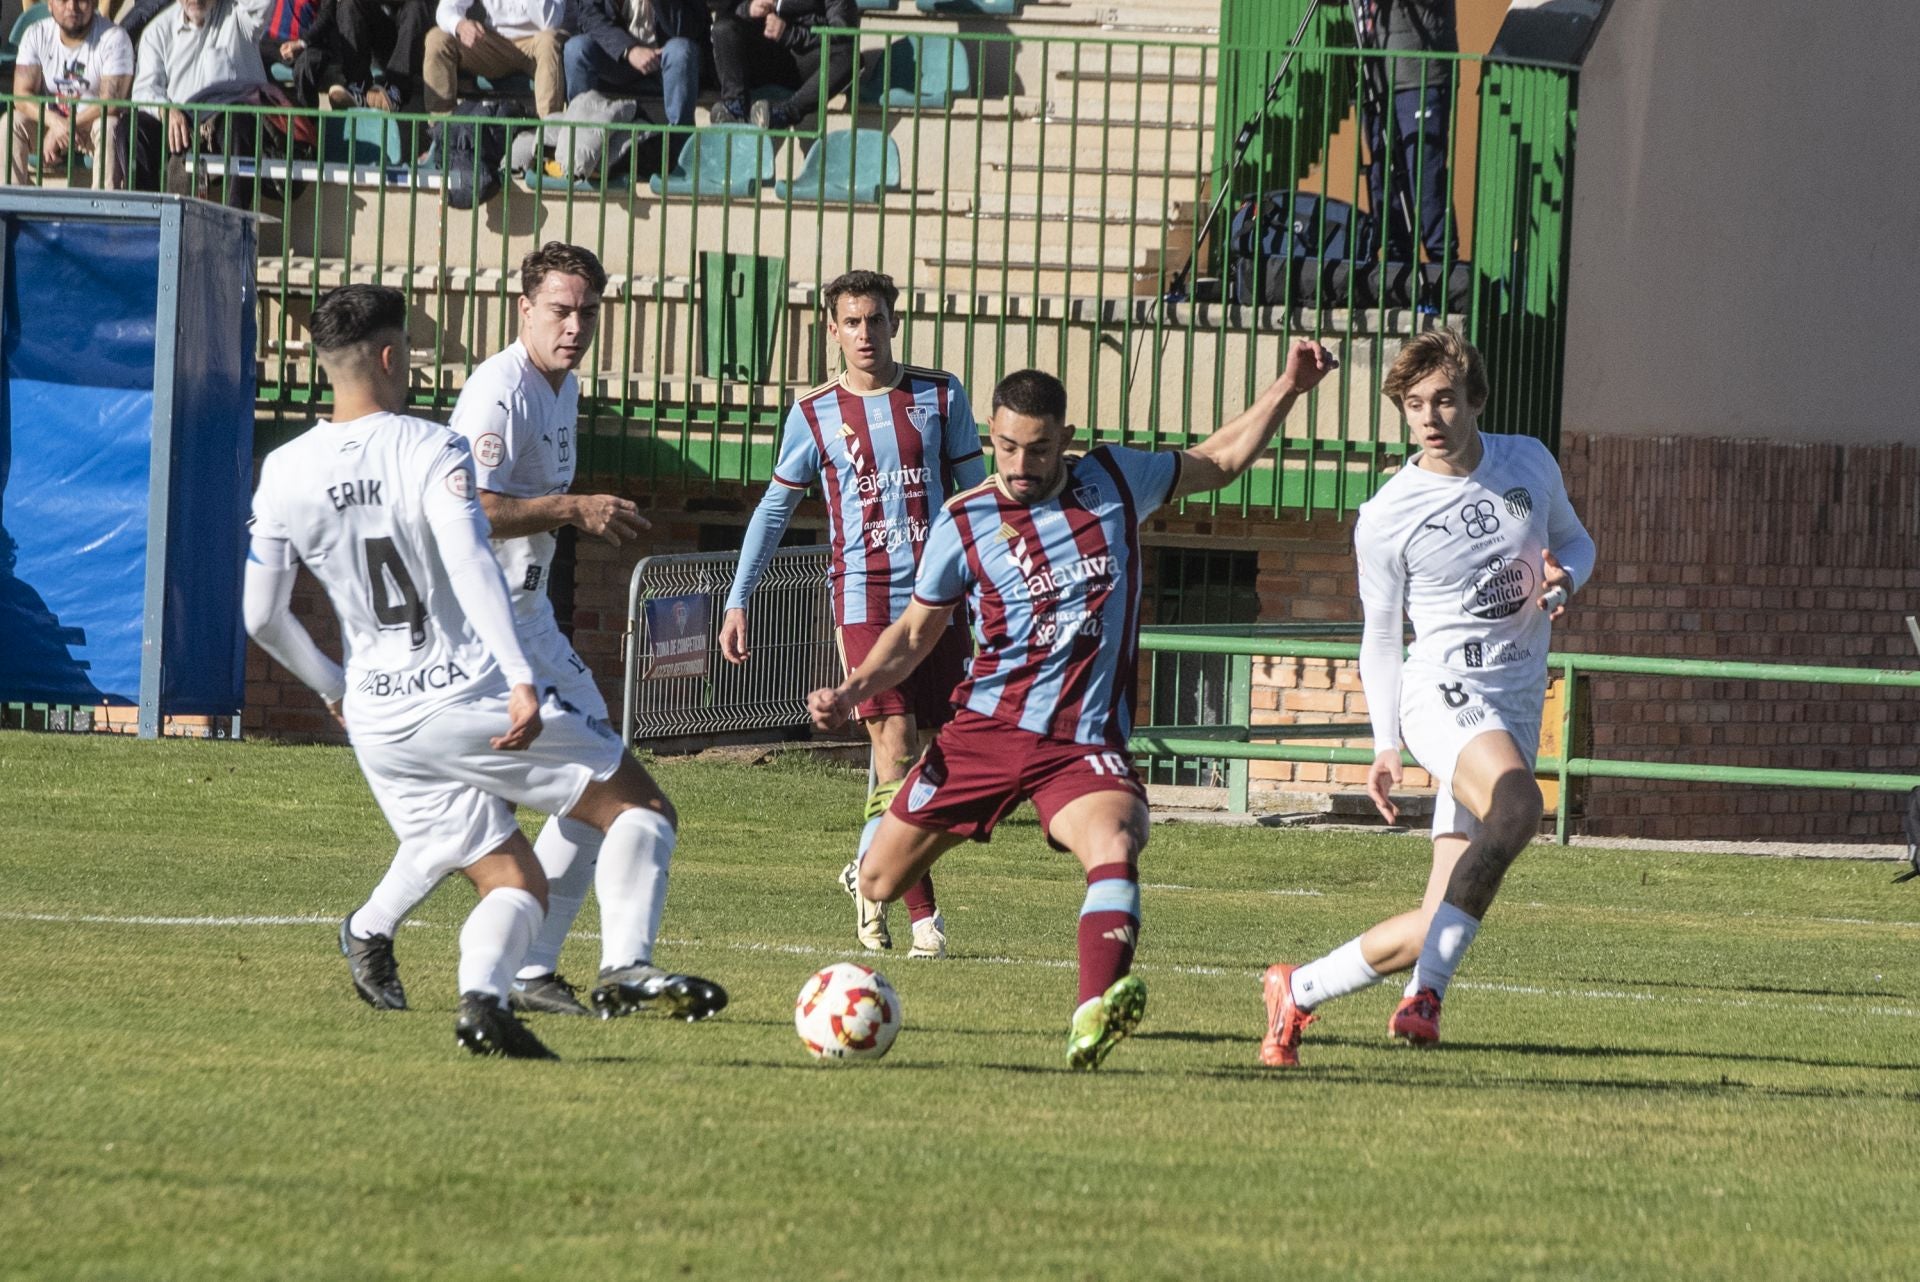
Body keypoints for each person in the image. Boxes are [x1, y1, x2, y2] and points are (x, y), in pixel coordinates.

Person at [809, 344, 1339, 1070]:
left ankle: (1093, 1013)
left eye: (1037, 449)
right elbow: (911, 635)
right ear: (990, 436)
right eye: (1005, 448)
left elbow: (1217, 462)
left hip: (1080, 741)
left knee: (1117, 843)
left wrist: (1288, 385)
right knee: (877, 880)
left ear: (1066, 439)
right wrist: (852, 690)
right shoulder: (964, 521)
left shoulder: (1116, 478)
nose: (1020, 466)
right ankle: (892, 810)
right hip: (983, 733)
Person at [245, 284, 717, 1058]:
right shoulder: (432, 449)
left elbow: (262, 616)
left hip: (376, 720)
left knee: (514, 879)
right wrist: (518, 677)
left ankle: (485, 1006)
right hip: (462, 694)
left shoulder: (285, 470)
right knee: (640, 807)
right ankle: (627, 963)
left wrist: (335, 688)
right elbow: (471, 563)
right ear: (393, 357)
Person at [1258, 328, 1594, 1067]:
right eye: (1414, 405)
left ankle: (1298, 988)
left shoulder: (1528, 463)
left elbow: (1576, 543)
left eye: (1444, 399)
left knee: (1438, 912)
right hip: (1440, 691)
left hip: (1511, 701)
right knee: (1519, 808)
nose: (1430, 417)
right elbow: (1380, 638)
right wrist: (1385, 741)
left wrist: (1566, 578)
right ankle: (1425, 998)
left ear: (1475, 399)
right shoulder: (1387, 514)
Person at [721, 270, 984, 958]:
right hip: (863, 601)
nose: (865, 334)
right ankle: (918, 913)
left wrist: (992, 591)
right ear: (831, 330)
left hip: (938, 603)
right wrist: (740, 596)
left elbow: (977, 500)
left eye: (875, 320)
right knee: (894, 750)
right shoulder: (813, 415)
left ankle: (869, 871)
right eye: (852, 322)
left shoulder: (939, 393)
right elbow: (776, 508)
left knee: (943, 762)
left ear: (894, 322)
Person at [1354, 0, 1461, 267]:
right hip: (1376, 77)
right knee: (1383, 175)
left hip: (1419, 74)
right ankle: (1394, 265)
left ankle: (1442, 264)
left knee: (1424, 172)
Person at [129, 0, 272, 191]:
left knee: (237, 119)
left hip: (229, 125)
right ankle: (147, 215)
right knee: (133, 127)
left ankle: (233, 214)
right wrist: (165, 110)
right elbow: (144, 89)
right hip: (179, 124)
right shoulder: (158, 30)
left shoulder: (240, 17)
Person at [7, 0, 134, 189]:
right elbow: (21, 96)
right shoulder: (36, 33)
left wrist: (65, 126)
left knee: (110, 126)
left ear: (94, 3)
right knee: (11, 123)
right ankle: (10, 205)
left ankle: (103, 208)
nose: (72, 7)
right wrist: (54, 123)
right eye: (63, 0)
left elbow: (111, 103)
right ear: (50, 4)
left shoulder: (114, 38)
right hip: (50, 124)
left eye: (81, 0)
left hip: (91, 126)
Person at [706, 0, 856, 131]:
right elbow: (723, 10)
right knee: (724, 29)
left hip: (802, 60)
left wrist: (789, 34)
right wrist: (748, 8)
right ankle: (735, 108)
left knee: (848, 57)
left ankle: (782, 115)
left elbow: (841, 32)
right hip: (759, 57)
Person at [563, 0, 706, 131]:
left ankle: (678, 146)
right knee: (576, 49)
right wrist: (629, 50)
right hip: (620, 60)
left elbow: (691, 29)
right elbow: (590, 17)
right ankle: (579, 137)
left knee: (680, 50)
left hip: (666, 60)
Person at [422, 0, 568, 117]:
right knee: (437, 38)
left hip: (537, 42)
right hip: (494, 44)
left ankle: (549, 131)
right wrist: (461, 25)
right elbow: (445, 9)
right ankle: (441, 127)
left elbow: (551, 20)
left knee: (549, 40)